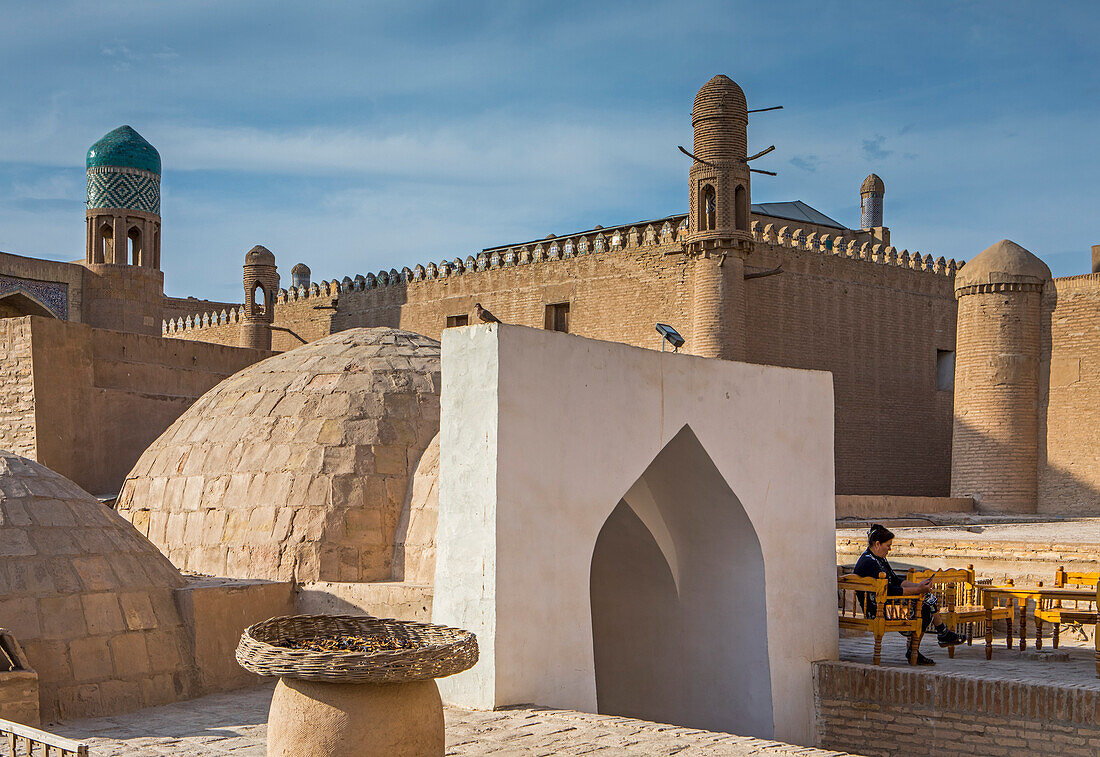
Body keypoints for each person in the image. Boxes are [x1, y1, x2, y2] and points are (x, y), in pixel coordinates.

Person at [853, 523, 966, 665]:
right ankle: (939, 634)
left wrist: (919, 585)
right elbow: (890, 590)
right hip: (879, 610)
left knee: (926, 602)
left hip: (886, 604)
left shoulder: (877, 559)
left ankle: (938, 635)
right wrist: (918, 590)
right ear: (877, 544)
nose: (890, 549)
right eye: (888, 545)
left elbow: (896, 581)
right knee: (926, 604)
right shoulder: (869, 563)